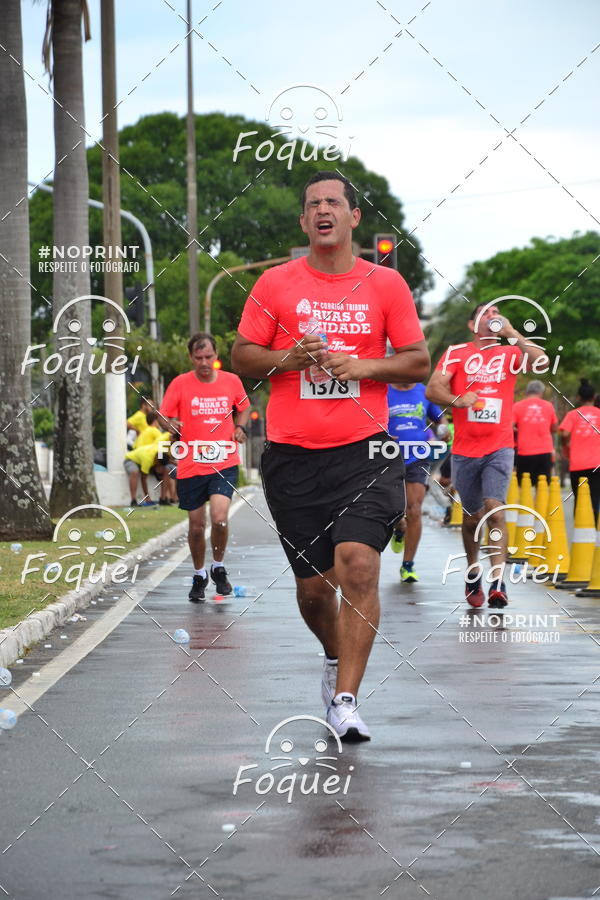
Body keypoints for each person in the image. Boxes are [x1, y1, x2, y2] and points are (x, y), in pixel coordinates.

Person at [231, 171, 429, 741]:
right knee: (314, 591)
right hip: (293, 457)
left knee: (359, 564)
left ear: (353, 216)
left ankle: (346, 700)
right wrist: (289, 359)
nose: (323, 210)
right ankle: (334, 654)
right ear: (304, 221)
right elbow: (242, 355)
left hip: (366, 451)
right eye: (313, 204)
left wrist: (365, 366)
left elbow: (417, 361)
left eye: (334, 202)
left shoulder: (385, 284)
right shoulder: (275, 283)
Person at [426, 302, 548, 608]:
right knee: (472, 519)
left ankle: (498, 582)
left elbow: (542, 361)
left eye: (496, 312)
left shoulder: (510, 353)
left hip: (500, 446)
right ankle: (473, 572)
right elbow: (433, 389)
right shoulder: (456, 353)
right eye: (486, 313)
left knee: (495, 511)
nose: (493, 316)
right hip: (465, 449)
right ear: (472, 325)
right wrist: (457, 399)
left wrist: (512, 332)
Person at [160, 333, 250, 601]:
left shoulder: (231, 381)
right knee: (197, 526)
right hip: (192, 464)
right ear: (191, 358)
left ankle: (218, 567)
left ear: (216, 356)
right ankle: (199, 575)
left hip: (224, 461)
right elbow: (163, 415)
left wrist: (240, 427)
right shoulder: (180, 384)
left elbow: (244, 407)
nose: (204, 363)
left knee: (219, 517)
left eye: (209, 357)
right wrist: (171, 425)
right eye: (198, 358)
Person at [387, 382, 448, 582]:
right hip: (388, 456)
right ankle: (399, 527)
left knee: (414, 510)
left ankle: (408, 565)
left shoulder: (424, 391)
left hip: (417, 456)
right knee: (393, 510)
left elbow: (440, 418)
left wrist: (443, 429)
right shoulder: (383, 390)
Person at [559, 379, 600, 519]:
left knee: (579, 498)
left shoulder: (572, 414)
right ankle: (594, 527)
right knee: (595, 498)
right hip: (597, 464)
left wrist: (566, 445)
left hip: (577, 464)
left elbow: (564, 434)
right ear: (594, 397)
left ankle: (579, 527)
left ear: (578, 398)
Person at [512, 380, 557, 485]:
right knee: (542, 485)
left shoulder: (517, 406)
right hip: (545, 451)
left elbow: (510, 426)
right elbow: (555, 427)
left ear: (527, 392)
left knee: (523, 485)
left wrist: (518, 429)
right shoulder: (548, 406)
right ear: (541, 392)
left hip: (524, 452)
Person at [123, 413, 171, 507]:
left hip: (143, 455)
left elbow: (165, 459)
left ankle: (163, 498)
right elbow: (143, 478)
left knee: (167, 469)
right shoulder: (148, 458)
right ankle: (133, 500)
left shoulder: (160, 451)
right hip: (132, 459)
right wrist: (147, 497)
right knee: (135, 472)